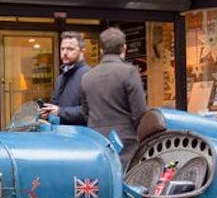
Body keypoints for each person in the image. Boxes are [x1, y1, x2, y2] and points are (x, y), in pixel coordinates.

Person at [81, 26, 148, 168]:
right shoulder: (129, 72)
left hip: (96, 141)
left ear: (101, 50)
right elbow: (140, 112)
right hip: (126, 142)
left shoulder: (87, 77)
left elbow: (85, 112)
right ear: (124, 48)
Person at [40, 31, 89, 125]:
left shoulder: (88, 76)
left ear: (82, 51)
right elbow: (55, 105)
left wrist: (59, 111)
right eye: (62, 49)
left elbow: (90, 111)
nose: (65, 53)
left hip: (81, 132)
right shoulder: (60, 78)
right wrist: (47, 111)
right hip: (60, 131)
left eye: (70, 49)